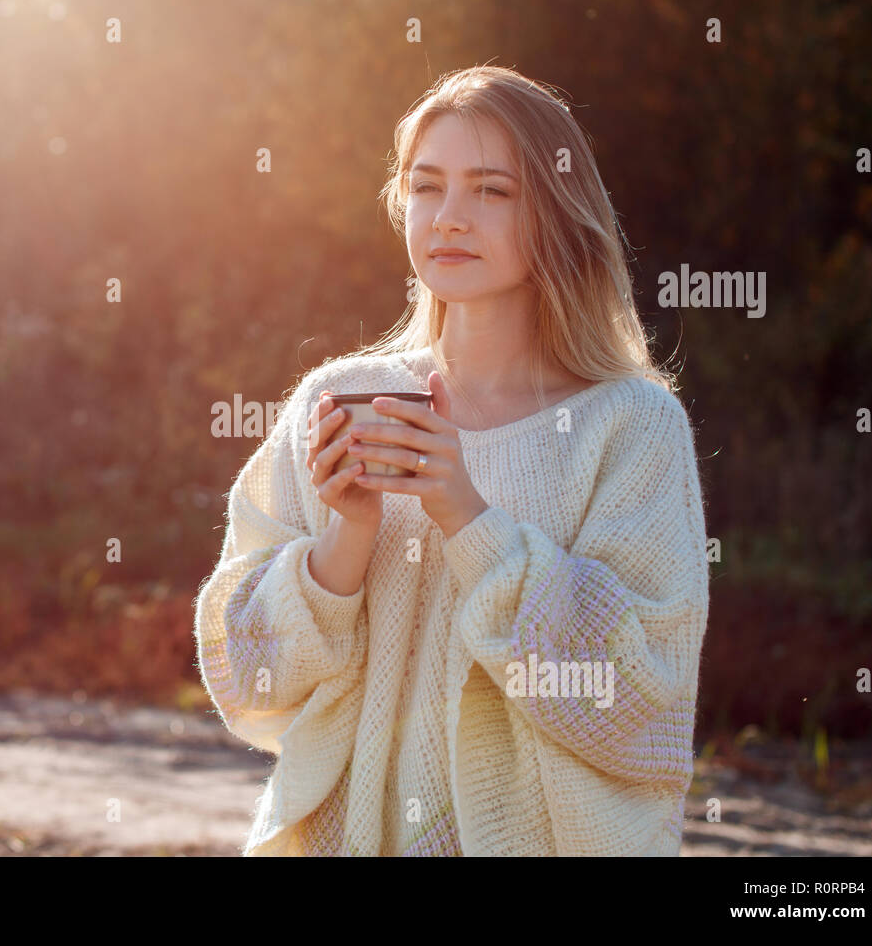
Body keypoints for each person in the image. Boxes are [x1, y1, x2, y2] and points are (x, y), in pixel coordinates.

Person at [193, 64, 709, 855]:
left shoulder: (631, 426)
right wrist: (342, 547)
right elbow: (246, 679)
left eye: (492, 191)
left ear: (557, 212)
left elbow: (635, 698)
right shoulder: (336, 403)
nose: (451, 219)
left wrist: (469, 519)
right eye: (427, 187)